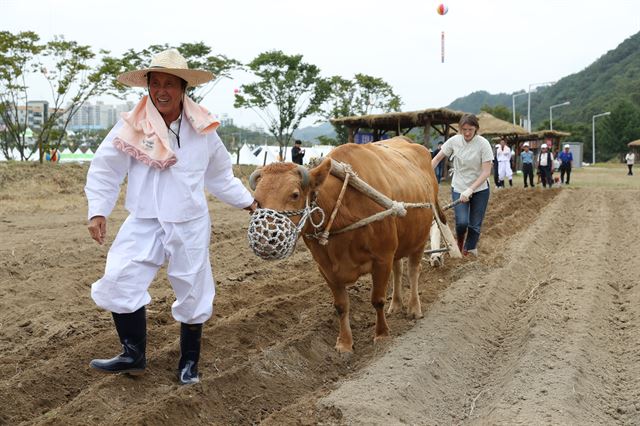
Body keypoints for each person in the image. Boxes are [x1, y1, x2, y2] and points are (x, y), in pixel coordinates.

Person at [84, 49, 257, 385]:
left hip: (189, 221)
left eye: (169, 84)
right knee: (119, 278)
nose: (161, 90)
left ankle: (189, 362)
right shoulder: (132, 126)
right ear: (147, 87)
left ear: (182, 89)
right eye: (155, 83)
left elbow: (220, 176)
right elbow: (105, 169)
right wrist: (98, 210)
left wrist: (249, 202)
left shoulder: (203, 129)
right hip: (144, 218)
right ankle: (133, 355)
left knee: (193, 290)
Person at [432, 113, 493, 257]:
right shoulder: (454, 141)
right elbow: (436, 159)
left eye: (470, 129)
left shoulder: (483, 144)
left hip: (480, 188)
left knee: (474, 225)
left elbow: (486, 172)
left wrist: (471, 189)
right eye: (464, 129)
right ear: (460, 129)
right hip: (459, 186)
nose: (467, 133)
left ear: (476, 129)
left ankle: (468, 250)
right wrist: (425, 174)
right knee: (461, 223)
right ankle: (459, 242)